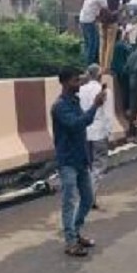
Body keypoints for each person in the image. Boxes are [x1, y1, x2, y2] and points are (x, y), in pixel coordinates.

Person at [50, 66, 106, 257]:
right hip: (68, 160)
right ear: (65, 83)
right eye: (75, 80)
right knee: (69, 201)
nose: (79, 84)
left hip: (80, 158)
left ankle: (75, 232)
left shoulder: (74, 101)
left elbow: (84, 123)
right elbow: (76, 124)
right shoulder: (60, 106)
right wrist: (95, 105)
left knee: (88, 199)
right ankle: (70, 241)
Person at [79, 64, 115, 210]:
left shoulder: (80, 90)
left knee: (87, 166)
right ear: (100, 76)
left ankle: (86, 195)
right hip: (99, 132)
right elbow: (108, 115)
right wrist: (110, 134)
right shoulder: (105, 91)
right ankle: (90, 197)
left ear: (88, 75)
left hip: (84, 132)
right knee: (99, 166)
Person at [98, 0, 132, 75]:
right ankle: (106, 68)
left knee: (102, 43)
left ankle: (101, 66)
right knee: (110, 44)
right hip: (112, 19)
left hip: (101, 18)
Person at [78, 0, 107, 66]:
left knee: (87, 43)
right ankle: (89, 64)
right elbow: (106, 9)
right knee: (93, 43)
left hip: (82, 18)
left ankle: (84, 62)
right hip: (89, 21)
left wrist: (87, 8)